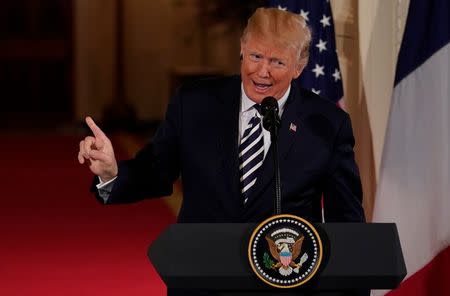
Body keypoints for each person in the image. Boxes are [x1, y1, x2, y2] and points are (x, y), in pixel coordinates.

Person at [78, 7, 366, 296]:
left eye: (277, 62)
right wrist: (113, 172)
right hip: (203, 279)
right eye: (255, 56)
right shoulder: (195, 104)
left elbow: (348, 224)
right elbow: (156, 169)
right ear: (242, 49)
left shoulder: (327, 124)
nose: (262, 72)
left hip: (284, 285)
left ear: (299, 66)